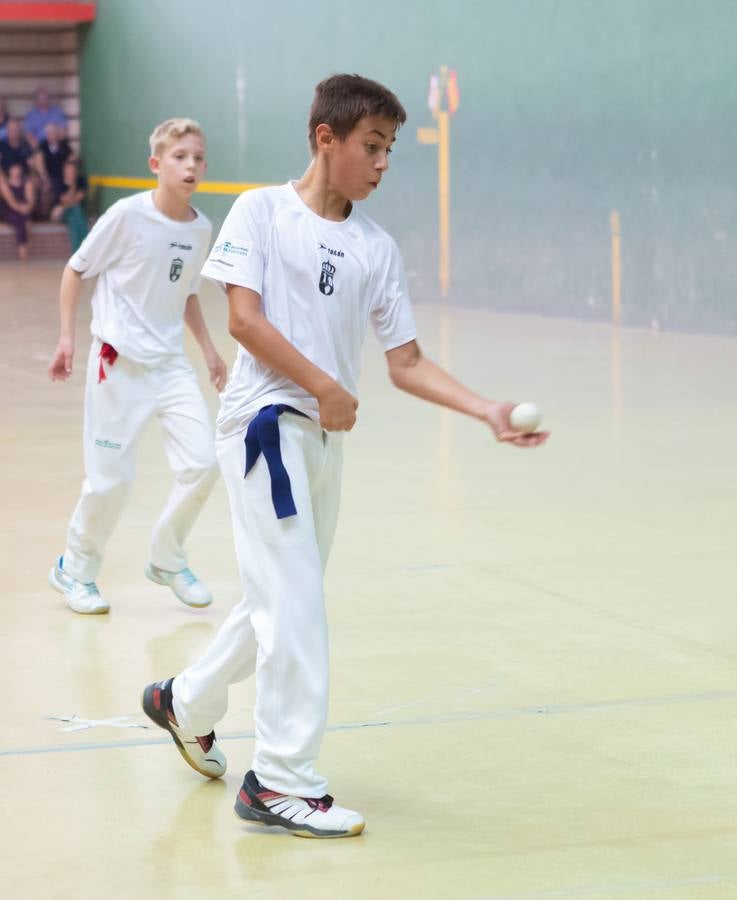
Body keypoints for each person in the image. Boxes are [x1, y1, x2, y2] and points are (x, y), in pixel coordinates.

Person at [139, 75, 547, 839]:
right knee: (295, 609)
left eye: (390, 149)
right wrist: (325, 385)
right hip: (266, 427)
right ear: (325, 138)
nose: (383, 162)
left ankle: (184, 702)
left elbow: (407, 361)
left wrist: (484, 410)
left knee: (276, 600)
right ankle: (281, 781)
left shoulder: (374, 248)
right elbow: (244, 321)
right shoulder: (261, 211)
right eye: (372, 146)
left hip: (323, 441)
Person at [46, 117, 228, 616]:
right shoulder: (126, 216)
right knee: (110, 483)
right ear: (156, 165)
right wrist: (67, 338)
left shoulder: (200, 229)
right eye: (180, 157)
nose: (191, 165)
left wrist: (209, 351)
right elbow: (76, 269)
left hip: (170, 366)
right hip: (116, 365)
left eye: (198, 157)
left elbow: (187, 293)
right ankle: (74, 570)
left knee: (203, 463)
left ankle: (167, 558)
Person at [0, 162, 35, 260]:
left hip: (24, 211)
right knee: (22, 222)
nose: (16, 172)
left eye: (18, 169)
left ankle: (24, 253)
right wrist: (21, 208)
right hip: (10, 211)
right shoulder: (4, 184)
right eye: (14, 169)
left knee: (26, 221)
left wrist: (28, 207)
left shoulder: (27, 183)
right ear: (9, 171)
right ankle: (24, 257)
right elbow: (10, 201)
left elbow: (31, 200)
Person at [50, 157, 88, 252]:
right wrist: (72, 187)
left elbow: (77, 200)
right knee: (75, 210)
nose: (69, 173)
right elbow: (65, 201)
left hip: (70, 211)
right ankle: (87, 244)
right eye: (67, 171)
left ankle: (76, 251)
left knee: (74, 215)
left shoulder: (81, 180)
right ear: (64, 170)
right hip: (61, 213)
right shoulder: (58, 182)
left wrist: (73, 184)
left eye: (72, 171)